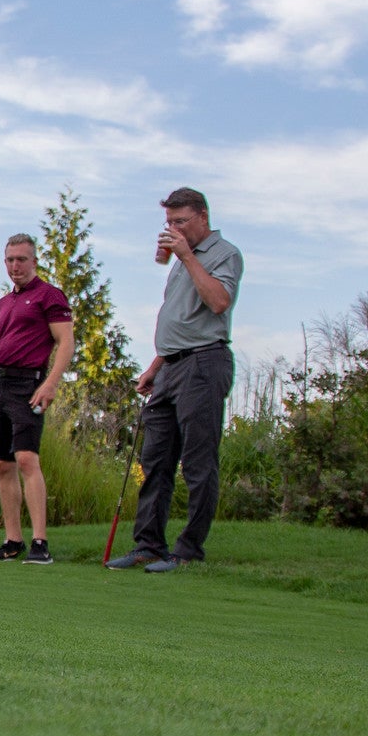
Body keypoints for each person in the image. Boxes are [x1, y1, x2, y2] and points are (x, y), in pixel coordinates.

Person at [109, 187, 242, 572]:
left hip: (205, 363)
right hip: (171, 367)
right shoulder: (183, 260)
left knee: (198, 461)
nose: (173, 229)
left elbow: (218, 302)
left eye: (180, 221)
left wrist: (185, 255)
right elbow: (181, 320)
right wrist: (155, 367)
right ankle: (149, 545)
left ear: (203, 217)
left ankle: (188, 551)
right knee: (155, 460)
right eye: (169, 222)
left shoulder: (224, 254)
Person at [0, 233, 74, 564]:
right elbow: (0, 351)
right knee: (3, 464)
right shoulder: (3, 304)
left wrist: (51, 384)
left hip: (29, 385)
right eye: (10, 260)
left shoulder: (49, 296)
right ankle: (13, 541)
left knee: (27, 459)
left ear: (34, 261)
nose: (15, 266)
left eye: (22, 259)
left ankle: (40, 543)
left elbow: (66, 342)